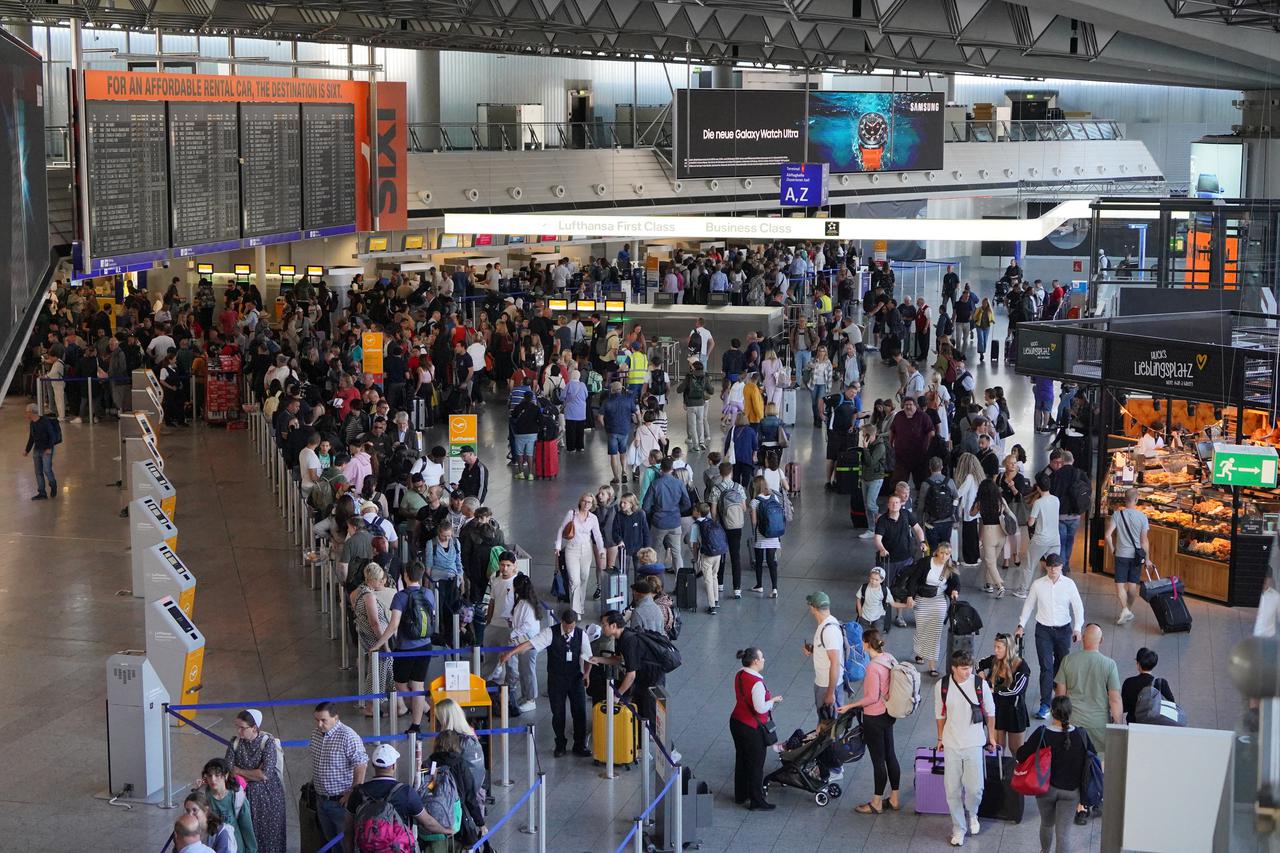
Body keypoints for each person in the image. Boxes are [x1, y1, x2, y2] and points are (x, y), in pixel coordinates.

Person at [502, 608, 593, 757]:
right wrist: (511, 653)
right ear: (562, 622)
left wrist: (587, 674)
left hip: (575, 678)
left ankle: (579, 744)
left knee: (580, 712)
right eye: (567, 626)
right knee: (558, 713)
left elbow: (588, 657)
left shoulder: (581, 635)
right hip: (556, 679)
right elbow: (530, 644)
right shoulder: (550, 632)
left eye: (572, 627)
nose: (569, 629)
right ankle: (560, 744)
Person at [934, 650, 997, 847]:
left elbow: (991, 711)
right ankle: (958, 828)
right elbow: (940, 714)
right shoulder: (942, 686)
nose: (967, 672)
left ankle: (973, 812)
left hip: (974, 742)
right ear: (953, 668)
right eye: (963, 669)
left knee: (975, 788)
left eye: (969, 668)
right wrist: (940, 737)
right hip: (952, 743)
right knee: (951, 789)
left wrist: (992, 737)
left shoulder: (979, 684)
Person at [837, 628, 901, 813]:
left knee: (878, 760)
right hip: (889, 713)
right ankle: (895, 798)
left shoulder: (873, 667)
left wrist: (851, 705)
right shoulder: (889, 658)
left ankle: (877, 802)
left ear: (866, 644)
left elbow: (872, 697)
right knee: (890, 754)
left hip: (874, 717)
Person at [342, 743, 451, 852]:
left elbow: (348, 830)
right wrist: (446, 830)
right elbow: (428, 823)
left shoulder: (358, 792)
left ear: (373, 765)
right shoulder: (406, 792)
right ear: (394, 766)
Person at [1016, 696, 1092, 852]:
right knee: (1063, 834)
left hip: (1046, 789)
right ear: (1070, 713)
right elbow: (1092, 758)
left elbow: (1021, 754)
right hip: (1072, 792)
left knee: (1046, 824)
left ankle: (1045, 851)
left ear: (1052, 712)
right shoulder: (1081, 735)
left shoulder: (1043, 734)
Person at [1016, 553, 1085, 720]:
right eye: (1050, 566)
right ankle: (1045, 704)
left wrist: (1077, 628)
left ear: (1061, 566)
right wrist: (1021, 625)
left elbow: (1078, 607)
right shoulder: (1038, 585)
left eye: (1056, 566)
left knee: (1062, 666)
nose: (1053, 569)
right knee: (1046, 667)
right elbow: (1029, 605)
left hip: (1063, 630)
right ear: (1046, 567)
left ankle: (1058, 692)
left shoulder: (1069, 585)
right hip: (1043, 630)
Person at [372, 560, 437, 734]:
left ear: (405, 576)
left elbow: (393, 625)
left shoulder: (401, 596)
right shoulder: (429, 594)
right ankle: (417, 723)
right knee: (418, 686)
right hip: (426, 645)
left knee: (400, 684)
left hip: (406, 648)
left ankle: (427, 710)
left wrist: (377, 644)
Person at [1054, 623, 1122, 759]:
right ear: (1101, 640)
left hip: (1073, 723)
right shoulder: (1109, 664)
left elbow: (1060, 696)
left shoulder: (1068, 661)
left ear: (1083, 638)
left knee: (1072, 761)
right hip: (1099, 726)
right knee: (1096, 765)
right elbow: (1115, 699)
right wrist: (1118, 725)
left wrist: (1057, 722)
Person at [224, 709, 287, 853]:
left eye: (242, 728)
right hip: (242, 796)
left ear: (254, 728)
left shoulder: (267, 742)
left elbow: (265, 774)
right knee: (247, 834)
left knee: (269, 835)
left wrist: (239, 771)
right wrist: (253, 773)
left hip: (267, 799)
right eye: (237, 726)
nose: (239, 731)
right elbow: (229, 769)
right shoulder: (234, 742)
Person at [730, 646, 782, 811]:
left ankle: (741, 794)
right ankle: (756, 800)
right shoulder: (757, 683)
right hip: (751, 728)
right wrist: (773, 701)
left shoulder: (740, 674)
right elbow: (760, 708)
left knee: (742, 758)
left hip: (736, 721)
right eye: (762, 657)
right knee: (756, 764)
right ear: (755, 661)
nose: (764, 659)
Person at [309, 702, 368, 841]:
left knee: (345, 843)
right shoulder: (316, 734)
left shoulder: (348, 736)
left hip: (340, 803)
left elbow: (361, 764)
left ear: (336, 718)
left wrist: (353, 793)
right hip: (321, 799)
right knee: (330, 842)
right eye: (317, 720)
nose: (319, 725)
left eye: (323, 720)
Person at [903, 541, 961, 677]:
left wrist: (955, 591)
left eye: (947, 554)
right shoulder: (926, 562)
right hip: (922, 599)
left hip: (939, 600)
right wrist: (910, 596)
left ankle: (932, 664)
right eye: (942, 553)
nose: (944, 556)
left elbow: (956, 583)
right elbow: (914, 580)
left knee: (935, 632)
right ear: (936, 552)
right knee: (922, 628)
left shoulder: (949, 566)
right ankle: (919, 652)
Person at [598, 609, 664, 726]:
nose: (602, 627)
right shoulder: (622, 637)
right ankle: (639, 738)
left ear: (613, 626)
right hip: (643, 677)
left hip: (651, 678)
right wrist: (598, 659)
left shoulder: (628, 641)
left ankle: (649, 739)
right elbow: (619, 659)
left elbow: (631, 675)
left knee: (648, 712)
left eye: (604, 624)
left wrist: (617, 695)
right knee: (639, 707)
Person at [803, 591, 845, 769]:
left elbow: (835, 664)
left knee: (828, 727)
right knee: (824, 723)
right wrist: (814, 650)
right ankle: (826, 761)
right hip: (823, 683)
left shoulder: (829, 630)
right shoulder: (826, 624)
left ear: (813, 608)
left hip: (828, 687)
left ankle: (833, 766)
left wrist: (830, 693)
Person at [555, 491, 606, 619]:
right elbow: (561, 529)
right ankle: (575, 611)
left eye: (589, 502)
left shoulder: (593, 518)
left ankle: (580, 606)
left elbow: (598, 535)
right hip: (572, 549)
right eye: (584, 501)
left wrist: (601, 550)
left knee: (584, 578)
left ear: (592, 504)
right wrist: (557, 546)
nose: (586, 504)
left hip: (586, 551)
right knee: (575, 580)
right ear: (580, 501)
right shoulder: (571, 514)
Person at [977, 634, 1031, 753]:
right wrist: (981, 674)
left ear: (1008, 648)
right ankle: (997, 770)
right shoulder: (995, 660)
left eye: (999, 647)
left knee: (1016, 750)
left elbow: (1016, 690)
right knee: (997, 748)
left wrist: (995, 690)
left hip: (1014, 712)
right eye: (995, 647)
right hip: (997, 710)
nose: (995, 650)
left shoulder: (1021, 667)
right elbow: (979, 663)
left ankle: (1016, 771)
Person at [1105, 488, 1150, 626]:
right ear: (1136, 500)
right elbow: (1144, 541)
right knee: (1132, 586)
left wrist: (1113, 549)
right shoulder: (1142, 517)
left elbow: (1107, 535)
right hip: (1136, 556)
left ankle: (1126, 610)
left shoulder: (1117, 515)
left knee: (1120, 585)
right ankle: (1128, 609)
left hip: (1121, 555)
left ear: (1125, 499)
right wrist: (1147, 559)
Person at [873, 493, 926, 600]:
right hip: (889, 560)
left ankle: (899, 615)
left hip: (906, 558)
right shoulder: (882, 520)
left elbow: (918, 529)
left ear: (901, 504)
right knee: (886, 588)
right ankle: (884, 610)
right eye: (892, 503)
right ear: (888, 505)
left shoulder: (906, 514)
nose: (894, 505)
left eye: (896, 502)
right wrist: (882, 549)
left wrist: (922, 541)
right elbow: (877, 539)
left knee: (903, 589)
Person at [643, 458, 691, 574]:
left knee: (656, 553)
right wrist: (677, 511)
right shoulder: (679, 483)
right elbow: (687, 503)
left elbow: (645, 506)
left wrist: (655, 511)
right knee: (677, 554)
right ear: (672, 469)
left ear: (661, 469)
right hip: (675, 522)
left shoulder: (655, 484)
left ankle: (657, 583)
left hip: (659, 523)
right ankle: (679, 583)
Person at [708, 461, 748, 599]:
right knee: (735, 555)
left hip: (722, 525)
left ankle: (720, 584)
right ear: (731, 472)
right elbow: (744, 507)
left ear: (720, 472)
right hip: (736, 525)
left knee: (722, 554)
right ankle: (737, 589)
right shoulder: (739, 487)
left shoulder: (716, 489)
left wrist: (715, 523)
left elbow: (713, 511)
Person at [200, 758, 258, 853]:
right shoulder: (203, 796)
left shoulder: (237, 797)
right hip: (211, 846)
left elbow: (247, 827)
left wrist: (251, 850)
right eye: (209, 775)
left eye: (217, 775)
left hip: (235, 846)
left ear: (226, 775)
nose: (213, 779)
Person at [1020, 472, 1061, 598]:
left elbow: (1031, 522)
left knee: (1029, 564)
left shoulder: (1038, 502)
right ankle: (1057, 588)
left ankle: (1023, 590)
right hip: (1055, 539)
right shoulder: (1056, 499)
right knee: (1054, 565)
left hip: (1040, 540)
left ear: (1038, 487)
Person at [973, 467, 1008, 597]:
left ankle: (1000, 585)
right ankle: (989, 584)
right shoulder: (1000, 501)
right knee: (992, 560)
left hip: (989, 533)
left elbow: (972, 513)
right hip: (1001, 533)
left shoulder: (980, 502)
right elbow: (1008, 513)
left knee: (990, 561)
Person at [1120, 646, 1177, 724]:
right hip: (1155, 726)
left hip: (1134, 724)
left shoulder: (1129, 682)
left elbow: (1123, 707)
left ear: (1138, 664)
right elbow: (1171, 705)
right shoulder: (1161, 683)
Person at [750, 475, 785, 597]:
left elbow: (754, 521)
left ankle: (759, 585)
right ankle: (774, 588)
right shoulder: (774, 497)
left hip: (761, 535)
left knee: (759, 561)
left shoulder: (755, 501)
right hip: (774, 534)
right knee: (771, 561)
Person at [860, 424, 890, 538]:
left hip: (876, 479)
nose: (863, 437)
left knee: (871, 504)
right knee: (867, 505)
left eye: (864, 434)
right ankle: (871, 529)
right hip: (866, 477)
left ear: (870, 435)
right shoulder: (870, 445)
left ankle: (882, 521)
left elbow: (871, 462)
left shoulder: (880, 446)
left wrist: (865, 449)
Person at [23, 403, 58, 500]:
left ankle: (53, 484)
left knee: (47, 470)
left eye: (27, 412)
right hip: (37, 449)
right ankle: (42, 492)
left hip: (46, 449)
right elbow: (31, 438)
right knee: (38, 472)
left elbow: (52, 436)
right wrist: (27, 450)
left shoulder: (45, 422)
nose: (26, 414)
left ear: (32, 412)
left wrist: (49, 448)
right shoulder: (32, 423)